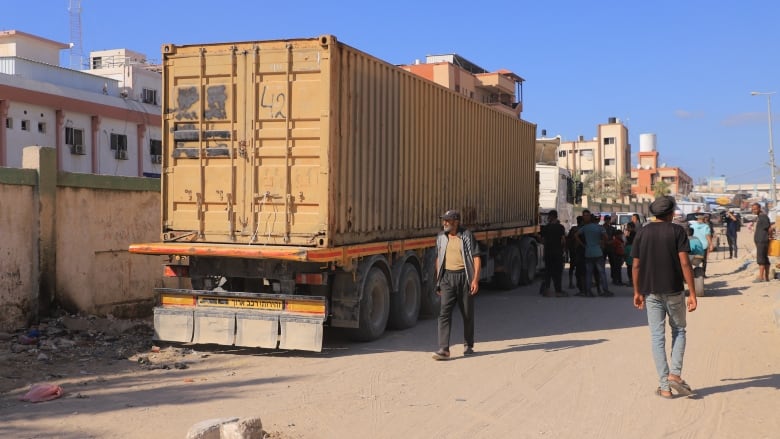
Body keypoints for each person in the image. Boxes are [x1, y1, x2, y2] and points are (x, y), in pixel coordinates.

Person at [631, 195, 698, 399]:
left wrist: (637, 291)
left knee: (657, 337)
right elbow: (685, 263)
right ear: (670, 213)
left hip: (650, 292)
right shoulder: (677, 231)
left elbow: (635, 265)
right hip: (674, 291)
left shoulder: (642, 232)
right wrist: (692, 293)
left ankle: (664, 387)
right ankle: (675, 375)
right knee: (679, 329)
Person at [432, 209, 482, 360]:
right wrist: (439, 280)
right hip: (447, 278)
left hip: (464, 278)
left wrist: (475, 280)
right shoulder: (441, 237)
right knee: (444, 313)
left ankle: (468, 344)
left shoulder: (466, 235)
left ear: (456, 222)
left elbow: (476, 257)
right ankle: (444, 349)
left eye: (447, 221)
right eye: (444, 220)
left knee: (467, 314)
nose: (444, 223)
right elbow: (438, 258)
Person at [575, 210, 612, 297]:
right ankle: (605, 290)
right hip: (598, 252)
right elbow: (606, 237)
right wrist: (602, 242)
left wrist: (583, 244)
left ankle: (588, 291)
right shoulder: (600, 228)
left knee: (589, 273)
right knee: (602, 272)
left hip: (588, 252)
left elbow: (576, 235)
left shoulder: (585, 228)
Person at [539, 210, 567, 297]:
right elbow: (563, 240)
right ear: (556, 216)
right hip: (558, 253)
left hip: (548, 253)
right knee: (557, 273)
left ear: (550, 217)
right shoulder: (561, 227)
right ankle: (558, 291)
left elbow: (543, 241)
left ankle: (547, 290)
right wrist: (563, 249)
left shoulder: (546, 228)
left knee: (548, 272)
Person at [751, 203, 774, 283]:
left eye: (755, 209)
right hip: (761, 241)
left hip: (762, 241)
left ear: (759, 208)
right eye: (753, 209)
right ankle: (766, 277)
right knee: (765, 258)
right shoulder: (760, 217)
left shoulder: (763, 216)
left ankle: (761, 278)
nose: (754, 210)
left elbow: (770, 228)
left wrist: (770, 237)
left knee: (761, 259)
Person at [603, 215, 622, 286]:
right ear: (605, 220)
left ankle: (614, 278)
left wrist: (612, 242)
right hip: (604, 248)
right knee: (601, 264)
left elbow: (616, 236)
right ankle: (602, 278)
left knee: (613, 264)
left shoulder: (612, 228)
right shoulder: (602, 228)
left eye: (609, 219)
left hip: (611, 247)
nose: (608, 221)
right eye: (607, 219)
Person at [567, 216, 584, 291]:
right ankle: (579, 283)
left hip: (573, 250)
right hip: (580, 251)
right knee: (580, 268)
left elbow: (568, 239)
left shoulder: (573, 229)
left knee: (572, 267)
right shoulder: (583, 229)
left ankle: (571, 282)